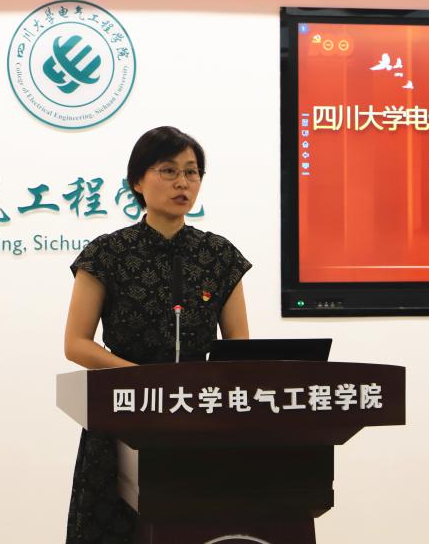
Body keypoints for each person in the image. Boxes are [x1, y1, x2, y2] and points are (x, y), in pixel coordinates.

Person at [63, 126, 251, 544]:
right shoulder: (107, 253)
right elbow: (76, 344)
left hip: (199, 418)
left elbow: (239, 347)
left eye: (192, 172)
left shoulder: (220, 255)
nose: (183, 183)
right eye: (169, 171)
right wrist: (142, 378)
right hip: (123, 416)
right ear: (137, 181)